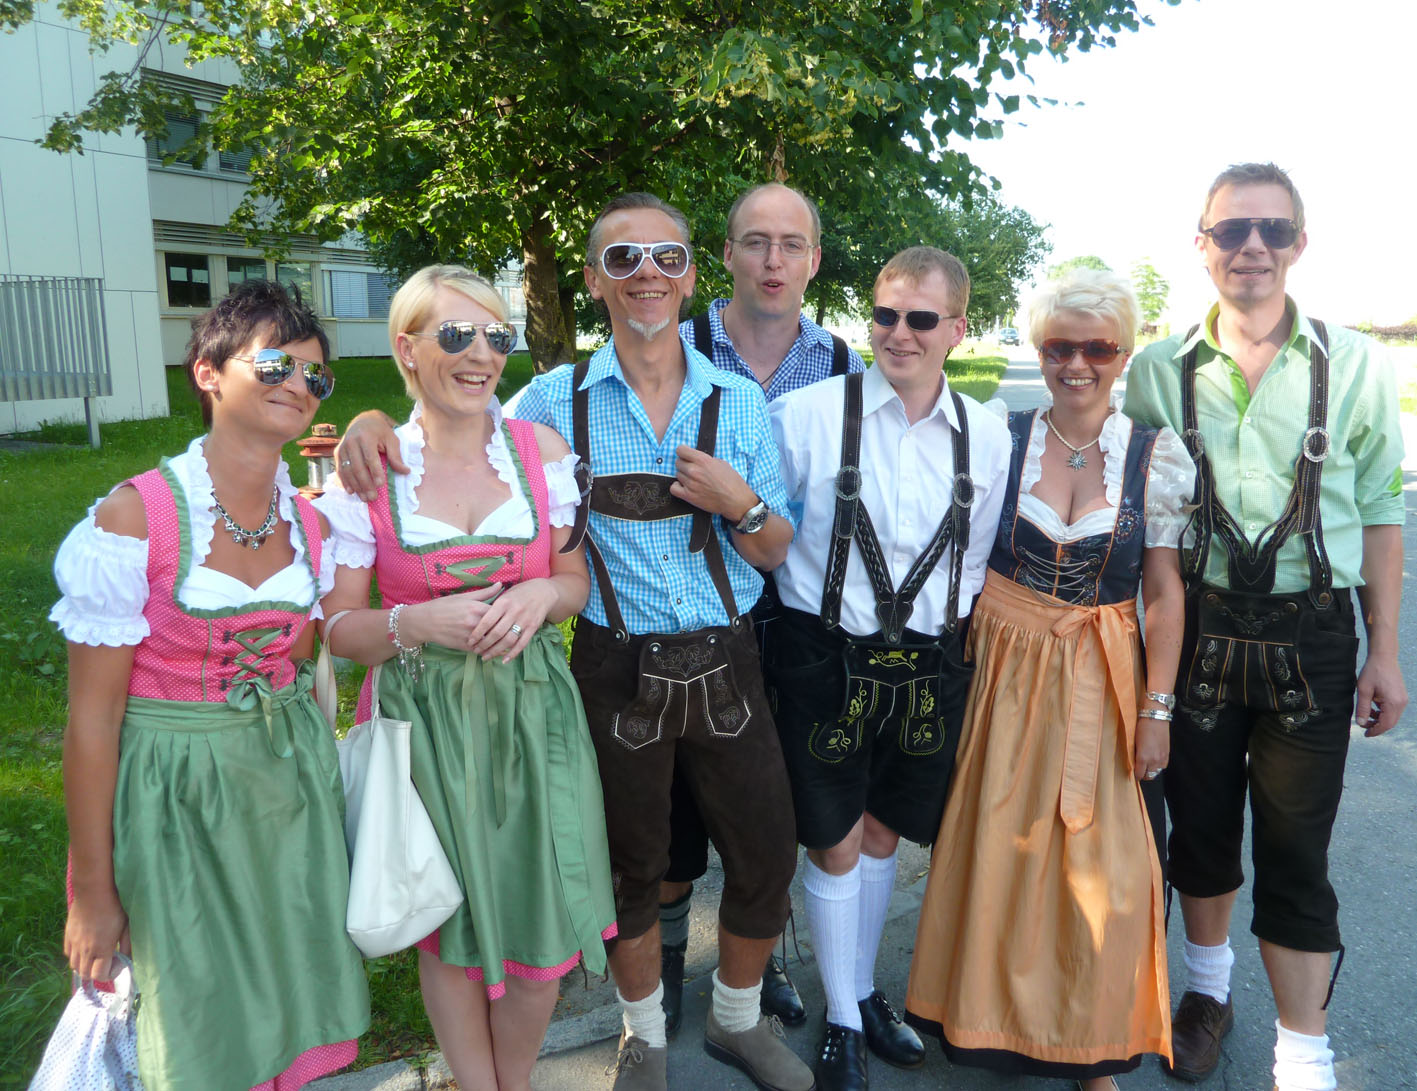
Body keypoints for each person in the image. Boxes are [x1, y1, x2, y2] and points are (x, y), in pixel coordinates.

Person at [334, 195, 812, 1091]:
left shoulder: (739, 401)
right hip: (612, 663)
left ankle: (737, 1019)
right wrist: (366, 426)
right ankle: (643, 1033)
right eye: (623, 258)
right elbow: (449, 425)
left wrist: (740, 504)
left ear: (691, 276)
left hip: (727, 656)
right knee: (626, 862)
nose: (647, 275)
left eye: (667, 258)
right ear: (594, 279)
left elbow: (776, 546)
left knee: (765, 851)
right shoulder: (551, 401)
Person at [1124, 162, 1407, 1091]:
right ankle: (1207, 994)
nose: (1252, 246)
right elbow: (1140, 522)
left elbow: (1380, 512)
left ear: (1298, 243)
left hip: (1312, 634)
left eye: (1272, 230)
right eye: (1232, 229)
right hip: (1197, 628)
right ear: (1201, 244)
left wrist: (1383, 651)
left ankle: (1303, 1053)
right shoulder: (1157, 370)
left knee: (1295, 850)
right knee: (1199, 834)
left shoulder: (1353, 363)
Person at [50, 280, 370, 1091]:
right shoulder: (134, 519)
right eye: (274, 364)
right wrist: (92, 891)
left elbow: (304, 652)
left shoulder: (313, 524)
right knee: (195, 1018)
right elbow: (92, 723)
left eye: (315, 374)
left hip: (287, 797)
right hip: (174, 803)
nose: (299, 384)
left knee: (282, 1001)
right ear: (207, 373)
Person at [314, 265, 617, 1091]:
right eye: (456, 334)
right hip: (425, 724)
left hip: (532, 715)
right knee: (448, 930)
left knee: (541, 937)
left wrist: (542, 593)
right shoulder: (371, 471)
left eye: (495, 335)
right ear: (407, 348)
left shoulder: (540, 453)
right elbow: (337, 631)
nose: (481, 353)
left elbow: (573, 582)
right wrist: (413, 623)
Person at [905, 268, 1194, 1090]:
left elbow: (1163, 593)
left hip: (1101, 672)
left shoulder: (1154, 455)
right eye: (1058, 346)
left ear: (1122, 354)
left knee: (1104, 867)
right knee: (998, 849)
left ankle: (1089, 1044)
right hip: (999, 668)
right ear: (1038, 350)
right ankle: (989, 1015)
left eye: (1096, 348)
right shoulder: (1001, 436)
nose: (1076, 364)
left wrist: (1158, 707)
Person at [761, 245, 1011, 1091]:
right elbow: (763, 532)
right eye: (884, 315)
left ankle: (861, 991)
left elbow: (973, 559)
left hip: (928, 663)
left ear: (957, 328)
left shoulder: (986, 432)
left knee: (880, 835)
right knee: (832, 839)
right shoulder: (803, 415)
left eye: (920, 319)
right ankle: (841, 1021)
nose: (898, 334)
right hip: (824, 654)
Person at [658, 181, 867, 1035]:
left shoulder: (843, 363)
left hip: (800, 620)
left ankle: (763, 955)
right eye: (755, 241)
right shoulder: (669, 347)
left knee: (770, 808)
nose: (772, 261)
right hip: (684, 617)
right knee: (674, 817)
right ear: (727, 254)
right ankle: (667, 962)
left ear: (813, 260)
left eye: (790, 244)